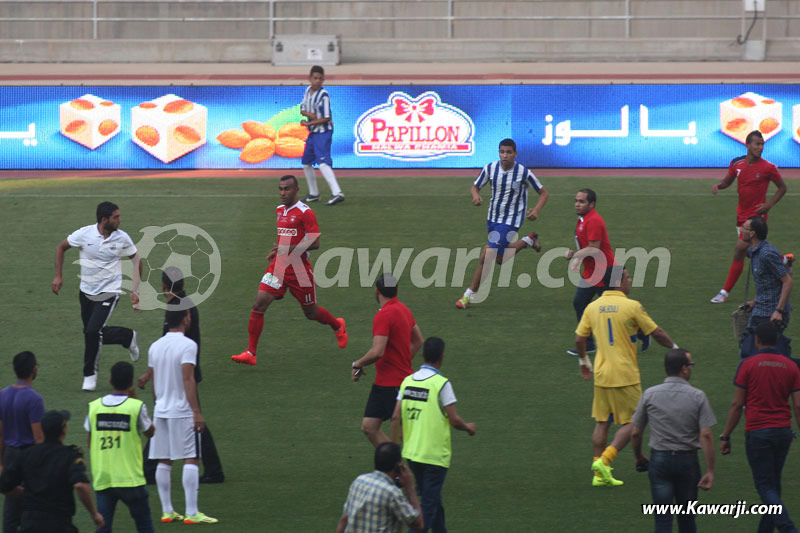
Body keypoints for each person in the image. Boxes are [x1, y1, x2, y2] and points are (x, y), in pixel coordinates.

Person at [575, 266, 677, 487]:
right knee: (635, 422)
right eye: (628, 277)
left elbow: (579, 339)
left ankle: (598, 475)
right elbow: (656, 332)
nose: (630, 280)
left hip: (601, 374)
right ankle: (605, 460)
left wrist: (584, 362)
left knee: (602, 422)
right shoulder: (631, 306)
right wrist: (676, 347)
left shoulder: (592, 307)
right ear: (618, 282)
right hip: (625, 374)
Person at [231, 175, 347, 366]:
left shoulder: (305, 212)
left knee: (310, 313)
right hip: (279, 266)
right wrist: (277, 250)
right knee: (259, 304)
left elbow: (315, 242)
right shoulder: (279, 211)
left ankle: (337, 325)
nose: (283, 193)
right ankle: (251, 352)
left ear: (296, 190)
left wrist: (288, 249)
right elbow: (286, 235)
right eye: (280, 189)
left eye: (287, 189)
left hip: (299, 269)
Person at [139, 267, 224, 484]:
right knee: (181, 418)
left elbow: (169, 345)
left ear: (163, 286)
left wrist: (152, 373)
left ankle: (148, 469)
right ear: (184, 284)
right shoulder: (185, 303)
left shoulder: (177, 307)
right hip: (184, 368)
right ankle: (213, 470)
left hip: (179, 372)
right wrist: (149, 374)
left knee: (174, 416)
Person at [52, 201, 142, 391]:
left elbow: (136, 260)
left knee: (92, 332)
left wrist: (135, 289)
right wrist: (58, 275)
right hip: (86, 292)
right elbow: (61, 248)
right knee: (92, 333)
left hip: (109, 292)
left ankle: (89, 376)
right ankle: (127, 337)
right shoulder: (84, 234)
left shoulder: (122, 238)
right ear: (104, 219)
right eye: (116, 217)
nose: (120, 220)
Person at [720, 321, 800, 533]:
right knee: (773, 485)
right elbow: (798, 405)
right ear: (777, 341)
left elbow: (737, 404)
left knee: (765, 487)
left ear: (756, 340)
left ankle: (787, 528)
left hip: (758, 432)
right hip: (783, 432)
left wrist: (725, 435)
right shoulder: (791, 366)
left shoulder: (747, 365)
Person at [391, 337, 476, 533]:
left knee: (433, 500)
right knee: (427, 507)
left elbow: (395, 417)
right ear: (442, 357)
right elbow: (454, 420)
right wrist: (468, 427)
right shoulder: (441, 384)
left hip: (412, 454)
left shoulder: (407, 381)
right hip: (435, 457)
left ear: (422, 355)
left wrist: (397, 454)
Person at [455, 138, 548, 309]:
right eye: (502, 152)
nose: (505, 155)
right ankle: (529, 241)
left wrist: (536, 210)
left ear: (515, 154)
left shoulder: (523, 172)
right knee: (499, 259)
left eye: (508, 152)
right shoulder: (490, 168)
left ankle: (467, 296)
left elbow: (543, 193)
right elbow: (475, 187)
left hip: (511, 221)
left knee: (487, 255)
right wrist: (475, 196)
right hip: (492, 218)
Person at [631, 349, 716, 532]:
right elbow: (707, 435)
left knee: (663, 521)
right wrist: (710, 470)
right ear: (684, 369)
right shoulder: (697, 396)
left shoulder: (650, 394)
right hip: (688, 461)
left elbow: (636, 432)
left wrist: (639, 456)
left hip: (660, 461)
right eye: (690, 366)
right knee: (687, 520)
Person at [148, 309, 217, 525]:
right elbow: (188, 379)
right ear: (186, 318)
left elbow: (153, 380)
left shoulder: (155, 346)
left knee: (164, 459)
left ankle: (167, 511)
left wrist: (157, 405)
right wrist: (196, 411)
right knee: (191, 458)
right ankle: (192, 512)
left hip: (161, 409)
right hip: (182, 411)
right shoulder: (188, 345)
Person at [710, 130, 787, 304]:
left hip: (755, 219)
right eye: (757, 144)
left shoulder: (768, 168)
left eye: (762, 144)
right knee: (751, 252)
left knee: (739, 250)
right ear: (748, 145)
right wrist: (719, 186)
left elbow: (782, 188)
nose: (761, 147)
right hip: (741, 215)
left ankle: (724, 292)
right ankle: (782, 260)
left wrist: (768, 205)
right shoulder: (737, 164)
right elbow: (728, 181)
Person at [0, 410, 104, 532]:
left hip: (30, 524)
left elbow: (4, 485)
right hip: (59, 523)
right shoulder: (70, 455)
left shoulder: (27, 454)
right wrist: (94, 514)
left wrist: (24, 493)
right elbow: (80, 485)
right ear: (64, 430)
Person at [352, 274, 423, 446]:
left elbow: (378, 351)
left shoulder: (384, 315)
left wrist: (358, 364)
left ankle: (404, 469)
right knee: (369, 426)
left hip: (390, 385)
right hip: (391, 382)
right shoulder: (404, 309)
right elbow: (418, 340)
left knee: (405, 437)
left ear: (377, 291)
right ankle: (396, 466)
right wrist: (404, 360)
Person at [85, 361, 155, 533]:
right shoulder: (136, 407)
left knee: (103, 527)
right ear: (131, 382)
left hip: (104, 477)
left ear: (110, 381)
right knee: (144, 525)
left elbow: (90, 442)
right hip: (130, 478)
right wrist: (135, 398)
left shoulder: (94, 407)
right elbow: (150, 432)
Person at [565, 188, 624, 356]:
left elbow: (594, 248)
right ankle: (588, 343)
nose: (577, 204)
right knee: (579, 303)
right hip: (592, 272)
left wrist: (573, 255)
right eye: (576, 200)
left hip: (607, 270)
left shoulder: (594, 220)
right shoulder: (583, 219)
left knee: (618, 310)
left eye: (582, 201)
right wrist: (578, 259)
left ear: (592, 204)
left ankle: (643, 332)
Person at [0, 351, 44, 533]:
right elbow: (39, 439)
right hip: (28, 456)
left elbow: (0, 434)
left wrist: (1, 463)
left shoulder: (3, 395)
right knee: (33, 507)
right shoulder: (34, 399)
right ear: (34, 370)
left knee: (11, 505)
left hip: (10, 454)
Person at [336, 442, 423, 533]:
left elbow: (344, 520)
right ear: (398, 466)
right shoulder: (392, 493)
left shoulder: (359, 481)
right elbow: (418, 524)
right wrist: (410, 488)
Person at [739, 216, 793, 339]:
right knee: (748, 347)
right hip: (761, 309)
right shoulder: (754, 251)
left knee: (757, 350)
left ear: (752, 233)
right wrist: (755, 301)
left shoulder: (766, 254)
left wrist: (778, 311)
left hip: (770, 314)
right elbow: (767, 282)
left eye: (744, 228)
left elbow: (787, 282)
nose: (742, 230)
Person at [299, 65, 345, 206]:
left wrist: (309, 123)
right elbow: (302, 108)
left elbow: (327, 117)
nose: (317, 81)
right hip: (313, 133)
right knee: (306, 162)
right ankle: (314, 194)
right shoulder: (308, 91)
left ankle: (337, 192)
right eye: (315, 78)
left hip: (323, 132)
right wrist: (308, 115)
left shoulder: (323, 95)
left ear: (323, 80)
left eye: (320, 78)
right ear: (310, 78)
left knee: (323, 162)